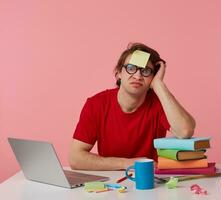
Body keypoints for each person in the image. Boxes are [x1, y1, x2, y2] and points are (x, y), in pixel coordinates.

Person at [69, 43, 196, 171]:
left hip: (150, 181)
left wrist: (159, 85)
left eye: (146, 71)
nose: (137, 76)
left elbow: (185, 131)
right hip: (111, 183)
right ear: (118, 72)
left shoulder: (160, 102)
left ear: (153, 77)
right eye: (131, 68)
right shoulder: (96, 104)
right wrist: (126, 164)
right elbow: (75, 158)